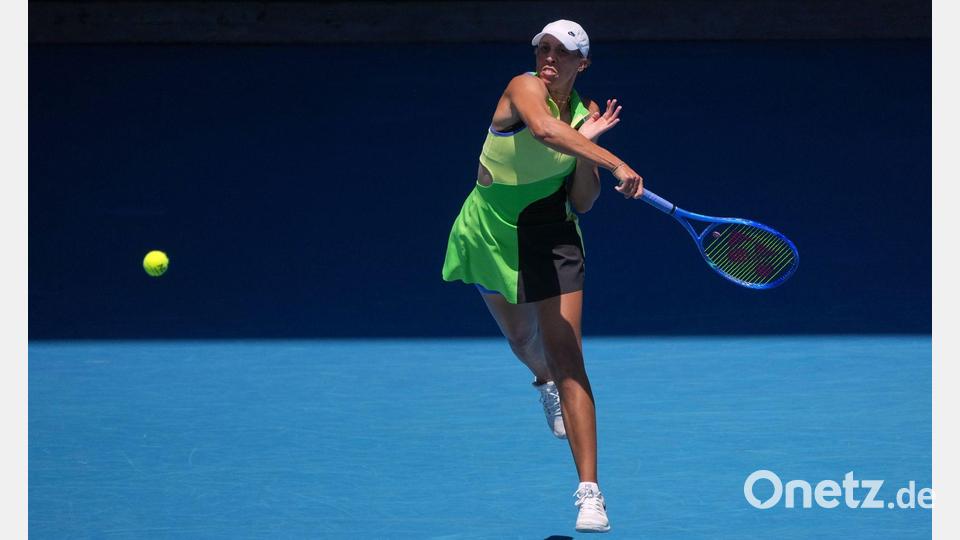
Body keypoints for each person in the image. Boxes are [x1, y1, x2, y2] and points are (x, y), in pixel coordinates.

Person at [441, 19, 644, 533]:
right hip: (489, 233)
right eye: (544, 48)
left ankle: (590, 493)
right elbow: (544, 131)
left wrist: (587, 155)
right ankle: (542, 382)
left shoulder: (582, 113)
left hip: (552, 236)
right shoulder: (524, 88)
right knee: (522, 339)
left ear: (583, 63)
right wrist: (611, 157)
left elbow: (582, 201)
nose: (549, 57)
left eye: (563, 51)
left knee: (569, 355)